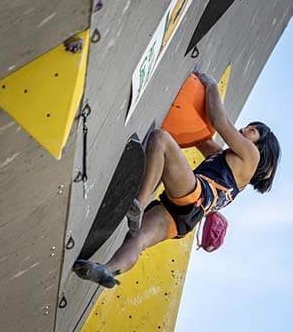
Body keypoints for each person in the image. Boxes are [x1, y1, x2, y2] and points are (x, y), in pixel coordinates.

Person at [72, 71, 280, 288]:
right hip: (184, 218)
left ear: (262, 147)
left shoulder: (252, 156)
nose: (245, 129)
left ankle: (139, 205)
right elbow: (201, 137)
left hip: (195, 196)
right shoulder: (227, 160)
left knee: (160, 139)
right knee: (137, 240)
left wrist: (210, 86)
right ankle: (107, 269)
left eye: (253, 130)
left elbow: (220, 121)